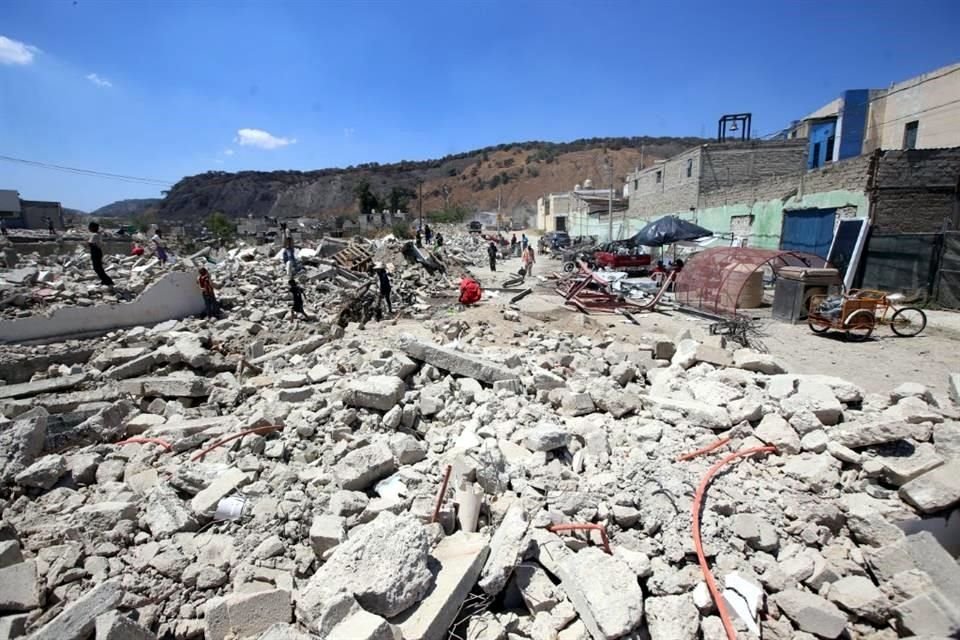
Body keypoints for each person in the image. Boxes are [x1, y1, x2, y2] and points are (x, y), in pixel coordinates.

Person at [87, 221, 114, 287]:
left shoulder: (94, 235)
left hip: (95, 252)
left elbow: (90, 244)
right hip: (98, 252)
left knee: (97, 268)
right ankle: (105, 280)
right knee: (99, 268)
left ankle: (108, 281)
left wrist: (86, 243)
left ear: (93, 228)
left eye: (89, 227)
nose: (89, 228)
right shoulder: (97, 234)